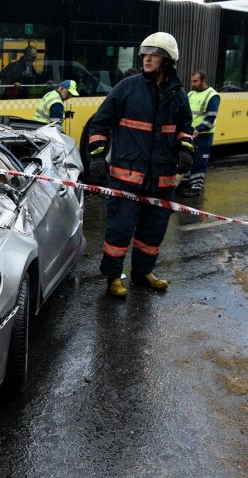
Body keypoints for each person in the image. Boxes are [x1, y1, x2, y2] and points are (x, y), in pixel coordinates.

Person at [87, 32, 194, 298]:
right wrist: (98, 157)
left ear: (167, 60)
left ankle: (143, 272)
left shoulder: (178, 94)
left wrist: (185, 151)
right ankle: (113, 277)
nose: (147, 58)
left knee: (153, 232)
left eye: (154, 54)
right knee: (119, 230)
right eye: (145, 53)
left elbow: (185, 128)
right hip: (127, 178)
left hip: (162, 180)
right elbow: (99, 123)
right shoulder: (127, 88)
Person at [180, 70, 220, 197]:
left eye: (196, 81)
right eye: (192, 81)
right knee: (186, 158)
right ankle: (186, 183)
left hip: (203, 135)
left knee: (199, 161)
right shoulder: (190, 94)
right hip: (189, 133)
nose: (193, 84)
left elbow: (211, 118)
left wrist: (198, 129)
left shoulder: (212, 95)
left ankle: (196, 187)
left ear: (204, 81)